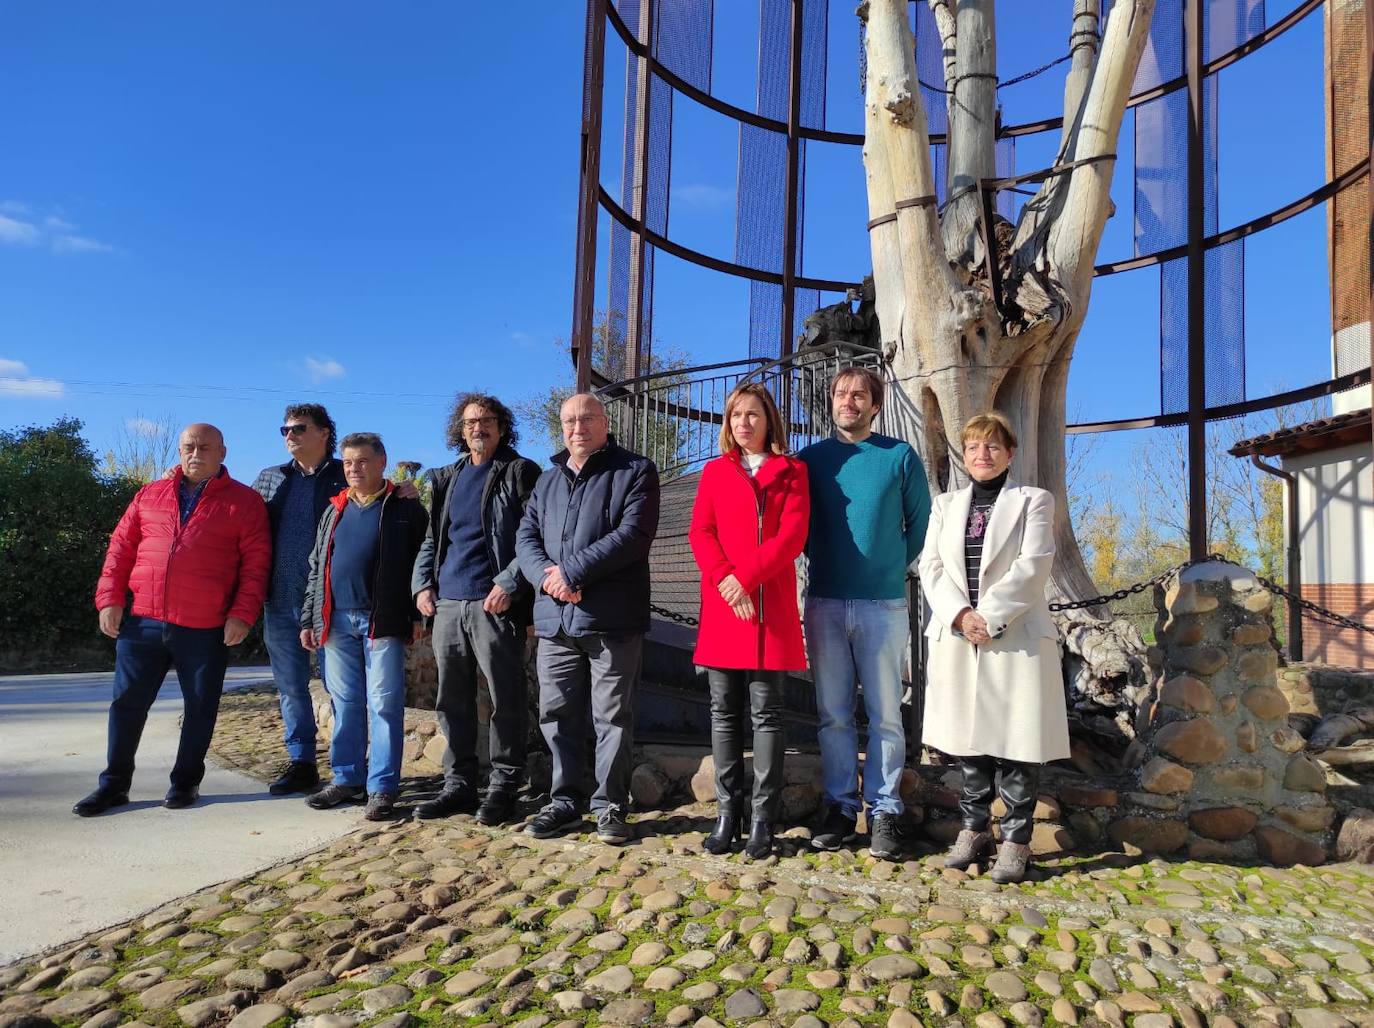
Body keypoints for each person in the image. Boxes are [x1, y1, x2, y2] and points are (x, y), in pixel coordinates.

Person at [77, 424, 271, 816]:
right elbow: (120, 549)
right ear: (179, 450)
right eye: (188, 446)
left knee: (200, 708)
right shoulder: (150, 494)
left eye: (204, 447)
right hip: (143, 621)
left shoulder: (244, 502)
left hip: (205, 625)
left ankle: (185, 783)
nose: (195, 453)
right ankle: (113, 785)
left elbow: (256, 565)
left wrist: (242, 614)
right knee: (126, 705)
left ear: (222, 452)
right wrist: (109, 598)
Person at [918, 412, 1069, 884]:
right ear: (963, 456)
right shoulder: (945, 505)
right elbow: (932, 564)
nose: (982, 455)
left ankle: (1017, 839)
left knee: (1018, 740)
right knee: (970, 738)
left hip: (1016, 634)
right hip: (960, 634)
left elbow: (1034, 563)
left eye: (992, 447)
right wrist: (961, 616)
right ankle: (973, 828)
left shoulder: (1033, 502)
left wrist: (991, 615)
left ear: (1010, 453)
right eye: (973, 447)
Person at [515, 393, 660, 845]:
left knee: (612, 717)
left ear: (605, 421)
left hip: (611, 619)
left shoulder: (636, 471)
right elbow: (526, 536)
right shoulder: (547, 479)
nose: (578, 427)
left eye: (587, 418)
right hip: (556, 621)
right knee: (556, 714)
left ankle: (610, 805)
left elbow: (633, 536)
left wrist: (572, 572)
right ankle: (564, 800)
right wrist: (547, 578)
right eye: (569, 421)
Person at [798, 366, 931, 859]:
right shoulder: (811, 459)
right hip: (825, 600)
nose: (848, 401)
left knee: (885, 716)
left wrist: (889, 566)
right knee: (832, 714)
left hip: (883, 603)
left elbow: (920, 523)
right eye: (840, 393)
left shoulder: (898, 456)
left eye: (859, 395)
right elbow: (798, 522)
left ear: (875, 405)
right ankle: (838, 806)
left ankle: (884, 810)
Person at [689, 383, 809, 859]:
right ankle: (726, 814)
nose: (744, 423)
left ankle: (762, 819)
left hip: (768, 608)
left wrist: (747, 579)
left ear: (769, 420)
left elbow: (793, 536)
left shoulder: (793, 471)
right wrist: (726, 581)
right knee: (723, 713)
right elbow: (701, 530)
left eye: (753, 414)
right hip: (725, 606)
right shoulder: (715, 471)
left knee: (766, 714)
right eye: (736, 415)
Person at [412, 393, 541, 825]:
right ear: (459, 429)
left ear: (502, 426)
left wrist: (509, 583)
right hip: (449, 603)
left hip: (494, 603)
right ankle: (459, 785)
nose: (477, 427)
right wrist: (422, 584)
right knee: (452, 700)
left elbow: (533, 537)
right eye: (469, 421)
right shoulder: (448, 477)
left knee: (506, 697)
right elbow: (434, 538)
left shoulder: (520, 472)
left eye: (486, 420)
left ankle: (505, 784)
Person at [299, 433, 427, 821]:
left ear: (381, 462)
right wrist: (309, 617)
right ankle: (348, 778)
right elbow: (316, 567)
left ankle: (382, 787)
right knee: (346, 703)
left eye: (363, 461)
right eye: (349, 462)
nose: (354, 469)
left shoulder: (404, 507)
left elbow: (424, 563)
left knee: (384, 704)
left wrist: (418, 614)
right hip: (335, 620)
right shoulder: (334, 510)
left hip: (382, 620)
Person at [251, 403, 347, 796]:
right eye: (285, 429)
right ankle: (302, 761)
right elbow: (248, 531)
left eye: (300, 428)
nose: (290, 435)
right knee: (290, 686)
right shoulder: (270, 479)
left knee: (339, 686)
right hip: (280, 599)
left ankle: (347, 766)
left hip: (332, 602)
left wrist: (407, 490)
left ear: (324, 433)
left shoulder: (347, 473)